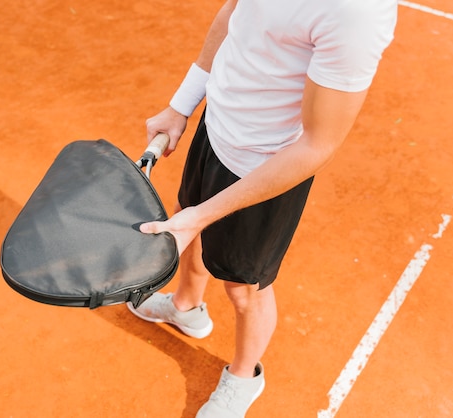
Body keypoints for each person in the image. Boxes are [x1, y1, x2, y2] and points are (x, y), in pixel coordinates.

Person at [127, 0, 397, 416]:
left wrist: (204, 213)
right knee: (187, 219)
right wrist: (183, 103)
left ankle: (244, 376)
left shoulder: (356, 13)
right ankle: (186, 307)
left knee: (244, 287)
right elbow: (233, 12)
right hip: (216, 128)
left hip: (264, 170)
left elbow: (317, 145)